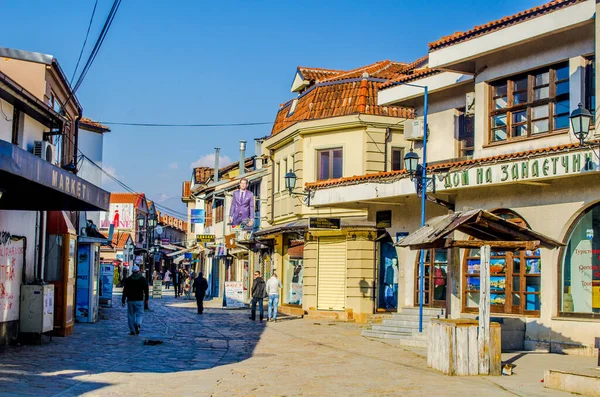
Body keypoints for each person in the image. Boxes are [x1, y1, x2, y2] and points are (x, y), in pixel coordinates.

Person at [121, 265, 149, 335]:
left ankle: (132, 331)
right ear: (138, 271)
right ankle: (137, 323)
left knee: (131, 315)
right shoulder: (142, 279)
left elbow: (125, 290)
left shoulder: (128, 279)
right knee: (139, 314)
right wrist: (146, 299)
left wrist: (123, 300)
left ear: (132, 271)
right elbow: (146, 290)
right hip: (139, 300)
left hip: (130, 300)